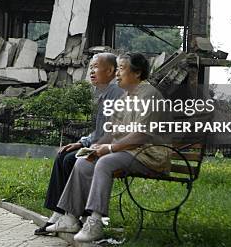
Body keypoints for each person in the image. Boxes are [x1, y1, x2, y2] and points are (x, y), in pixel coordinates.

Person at [46, 53, 171, 243]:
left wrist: (109, 149)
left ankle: (95, 223)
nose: (118, 75)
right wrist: (96, 146)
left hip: (149, 155)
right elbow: (112, 132)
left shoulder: (149, 95)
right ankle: (71, 218)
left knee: (105, 162)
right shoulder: (126, 97)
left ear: (137, 73)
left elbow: (141, 136)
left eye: (121, 69)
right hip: (128, 151)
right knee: (83, 162)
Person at [34, 53, 124, 236]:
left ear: (110, 71)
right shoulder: (103, 93)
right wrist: (81, 142)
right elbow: (99, 130)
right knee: (63, 156)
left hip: (112, 148)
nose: (91, 71)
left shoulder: (116, 94)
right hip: (101, 144)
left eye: (96, 67)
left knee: (70, 160)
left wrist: (91, 146)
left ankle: (68, 215)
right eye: (90, 67)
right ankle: (58, 214)